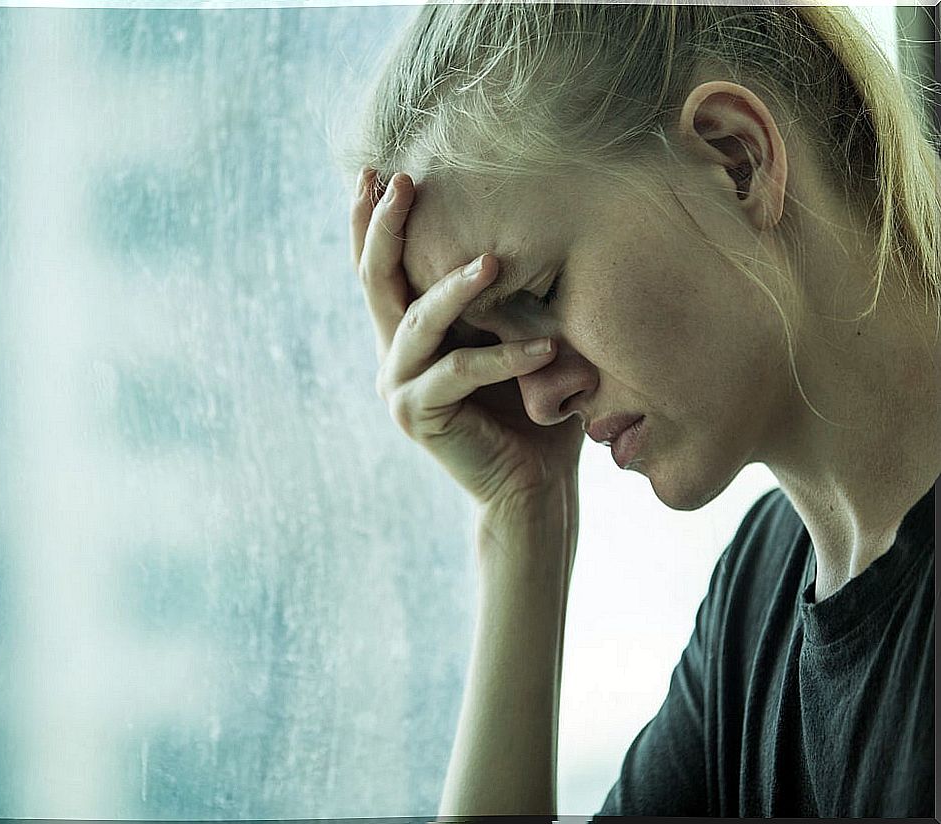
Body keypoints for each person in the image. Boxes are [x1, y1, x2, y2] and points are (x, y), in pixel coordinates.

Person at [345, 2, 939, 817]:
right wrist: (525, 518)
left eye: (541, 292)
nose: (540, 398)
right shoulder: (757, 595)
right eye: (492, 345)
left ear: (736, 157)